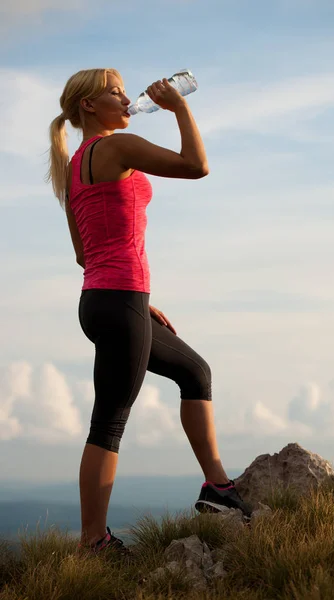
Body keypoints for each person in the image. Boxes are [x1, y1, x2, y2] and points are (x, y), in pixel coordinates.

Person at [46, 68, 251, 558]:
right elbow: (196, 166)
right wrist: (179, 106)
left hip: (109, 299)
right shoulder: (115, 147)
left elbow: (84, 254)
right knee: (110, 421)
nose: (126, 95)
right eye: (114, 90)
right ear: (89, 107)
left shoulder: (76, 165)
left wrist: (138, 303)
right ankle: (94, 541)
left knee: (194, 372)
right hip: (117, 300)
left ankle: (216, 490)